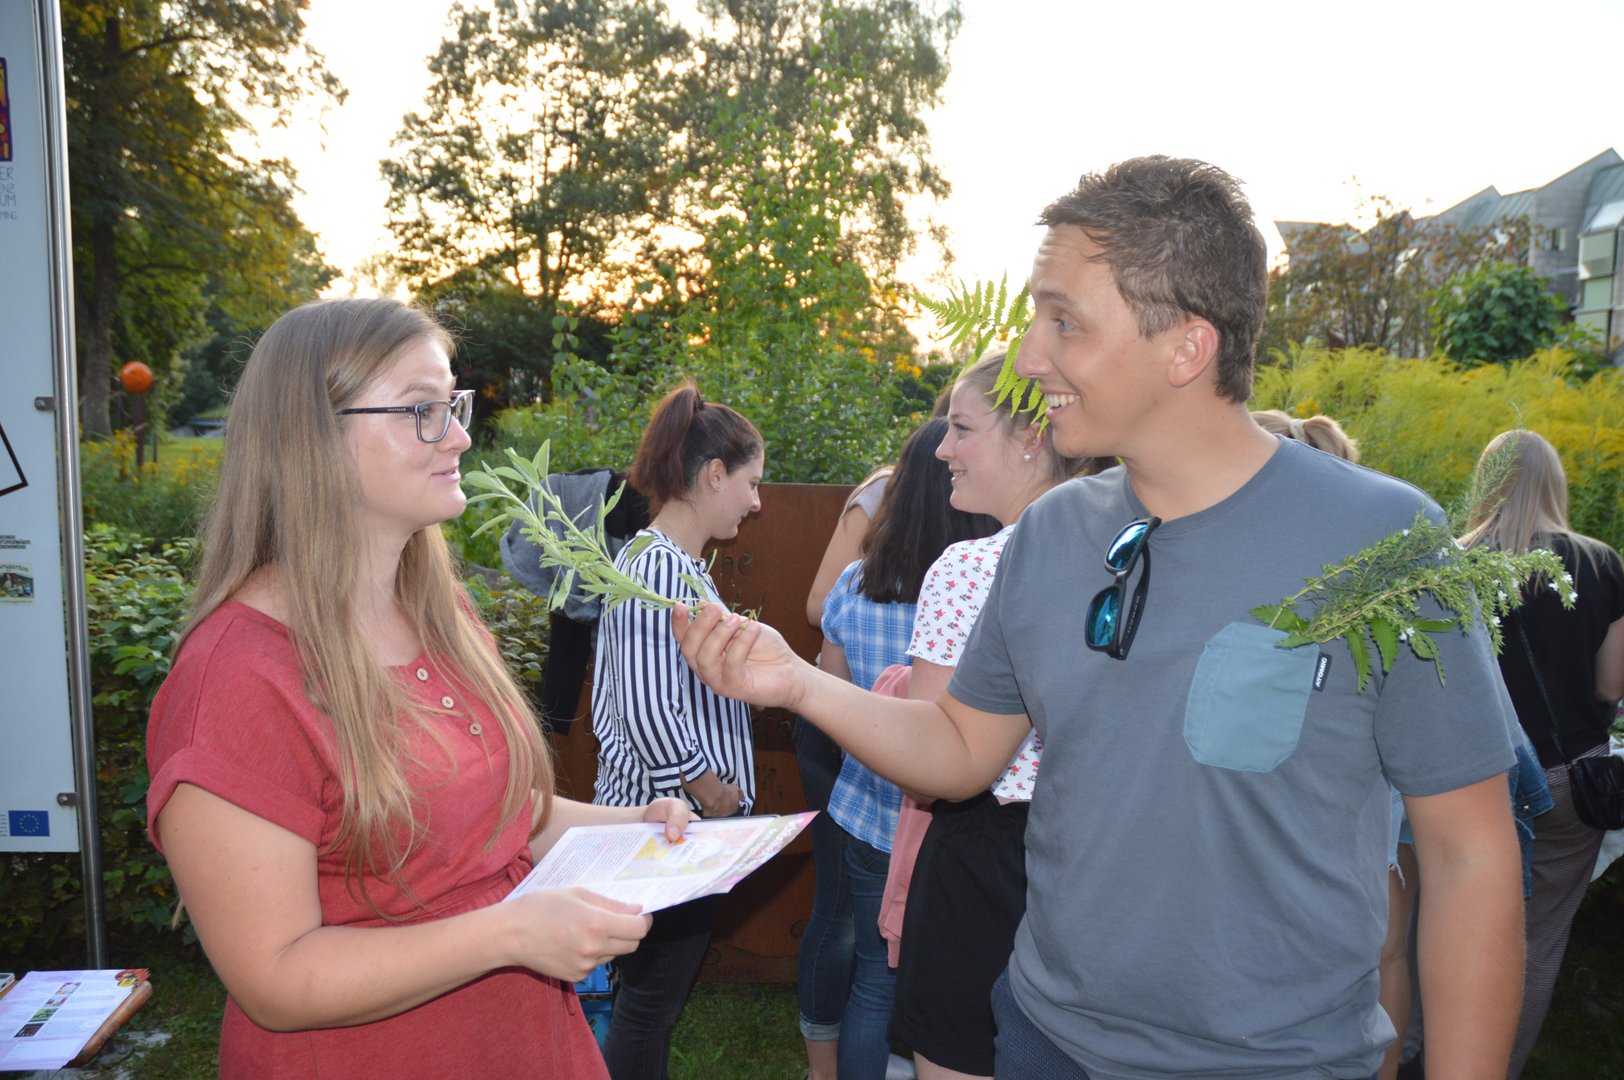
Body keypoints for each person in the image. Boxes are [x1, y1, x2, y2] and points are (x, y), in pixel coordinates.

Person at [675, 156, 1525, 1078]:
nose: (1028, 358)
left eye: (1065, 322)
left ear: (1186, 349)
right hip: (1045, 1042)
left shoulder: (1385, 541)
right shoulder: (1052, 533)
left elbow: (1470, 859)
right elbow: (960, 747)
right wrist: (796, 683)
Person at [145, 298, 692, 1080]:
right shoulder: (236, 678)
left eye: (451, 405)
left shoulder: (440, 615)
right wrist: (510, 932)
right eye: (421, 411)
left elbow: (497, 815)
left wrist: (633, 827)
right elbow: (275, 976)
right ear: (313, 436)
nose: (460, 436)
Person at [890, 353, 1097, 1080]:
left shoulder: (972, 567)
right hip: (1104, 856)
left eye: (962, 428)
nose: (942, 448)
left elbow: (929, 766)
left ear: (1032, 437)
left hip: (986, 860)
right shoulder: (1133, 550)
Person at [589, 381, 763, 1080]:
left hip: (673, 826)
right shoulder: (658, 569)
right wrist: (706, 788)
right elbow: (648, 708)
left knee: (650, 1004)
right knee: (648, 1008)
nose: (756, 501)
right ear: (714, 474)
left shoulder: (669, 565)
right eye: (751, 483)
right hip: (669, 831)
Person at [818, 417, 1000, 1080]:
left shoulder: (853, 583)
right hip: (955, 825)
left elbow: (833, 695)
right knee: (957, 981)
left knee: (874, 978)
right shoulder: (983, 586)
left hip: (869, 815)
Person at [1460, 429, 1624, 1078]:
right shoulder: (1601, 563)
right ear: (1555, 484)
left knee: (1445, 927)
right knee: (1536, 941)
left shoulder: (1454, 564)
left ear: (1486, 482)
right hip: (1566, 780)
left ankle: (1419, 1055)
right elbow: (1611, 685)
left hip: (1468, 778)